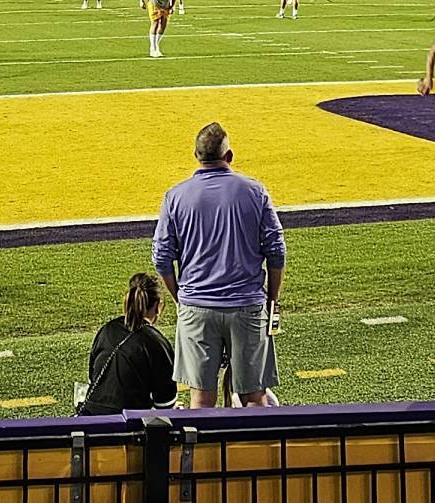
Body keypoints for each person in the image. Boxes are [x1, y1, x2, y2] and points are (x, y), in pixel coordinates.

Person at [152, 122, 286, 408]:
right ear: (229, 156)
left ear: (196, 155)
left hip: (196, 307)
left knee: (201, 399)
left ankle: (203, 442)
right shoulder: (255, 192)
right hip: (247, 306)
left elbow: (162, 257)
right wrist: (272, 300)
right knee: (254, 396)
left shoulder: (175, 196)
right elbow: (276, 251)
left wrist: (181, 298)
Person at [78, 273, 177, 416]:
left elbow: (92, 377)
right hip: (128, 422)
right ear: (157, 306)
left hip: (91, 415)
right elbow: (165, 403)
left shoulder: (107, 330)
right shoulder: (157, 342)